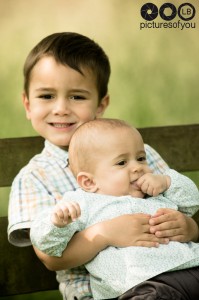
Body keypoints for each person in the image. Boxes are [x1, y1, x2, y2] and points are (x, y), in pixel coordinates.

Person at [7, 32, 199, 300]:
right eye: (47, 96)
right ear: (28, 104)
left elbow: (179, 204)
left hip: (177, 269)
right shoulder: (34, 178)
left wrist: (189, 228)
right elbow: (51, 258)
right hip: (100, 292)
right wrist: (105, 234)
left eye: (77, 97)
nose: (61, 108)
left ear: (101, 104)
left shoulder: (137, 153)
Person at [30, 118, 199, 300]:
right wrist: (57, 223)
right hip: (139, 284)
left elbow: (191, 202)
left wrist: (167, 181)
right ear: (89, 182)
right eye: (121, 163)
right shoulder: (83, 203)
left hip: (190, 265)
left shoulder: (154, 192)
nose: (137, 168)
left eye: (141, 158)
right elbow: (48, 245)